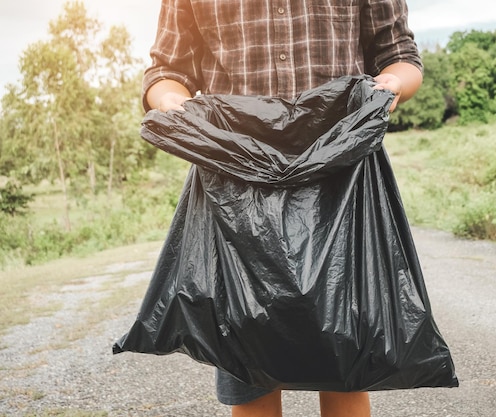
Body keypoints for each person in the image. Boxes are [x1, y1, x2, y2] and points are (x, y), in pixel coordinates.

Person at [141, 1, 423, 416]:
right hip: (234, 188)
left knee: (347, 359)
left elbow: (400, 55)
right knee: (248, 363)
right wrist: (177, 106)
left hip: (340, 184)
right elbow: (166, 71)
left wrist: (389, 85)